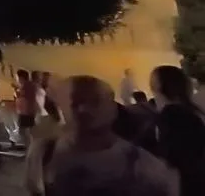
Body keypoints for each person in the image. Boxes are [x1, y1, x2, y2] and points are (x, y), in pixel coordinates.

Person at [42, 75, 177, 196]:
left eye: (95, 102)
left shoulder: (142, 165)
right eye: (75, 103)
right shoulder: (44, 153)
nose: (84, 109)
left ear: (113, 108)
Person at [149, 66, 205, 196]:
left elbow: (174, 160)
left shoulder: (172, 115)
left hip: (185, 185)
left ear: (159, 85)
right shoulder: (193, 111)